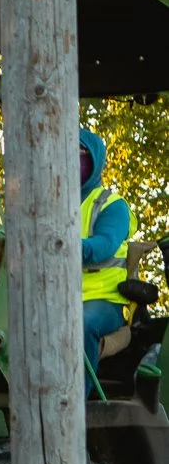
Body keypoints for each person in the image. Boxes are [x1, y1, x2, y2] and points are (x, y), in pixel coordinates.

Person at [80, 126, 138, 379]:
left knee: (80, 325)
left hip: (106, 301)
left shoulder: (111, 205)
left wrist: (61, 246)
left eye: (78, 153)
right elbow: (8, 230)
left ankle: (74, 402)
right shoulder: (44, 201)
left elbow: (104, 244)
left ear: (93, 160)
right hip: (55, 297)